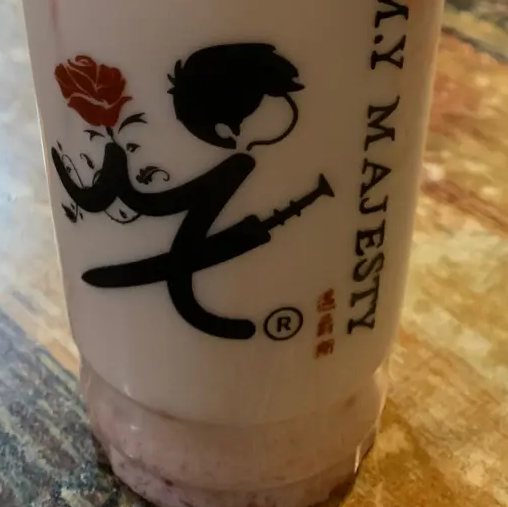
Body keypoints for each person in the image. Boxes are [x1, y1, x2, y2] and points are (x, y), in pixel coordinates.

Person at [51, 43, 332, 340]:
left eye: (231, 128)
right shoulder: (238, 162)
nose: (238, 139)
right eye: (230, 129)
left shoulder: (242, 162)